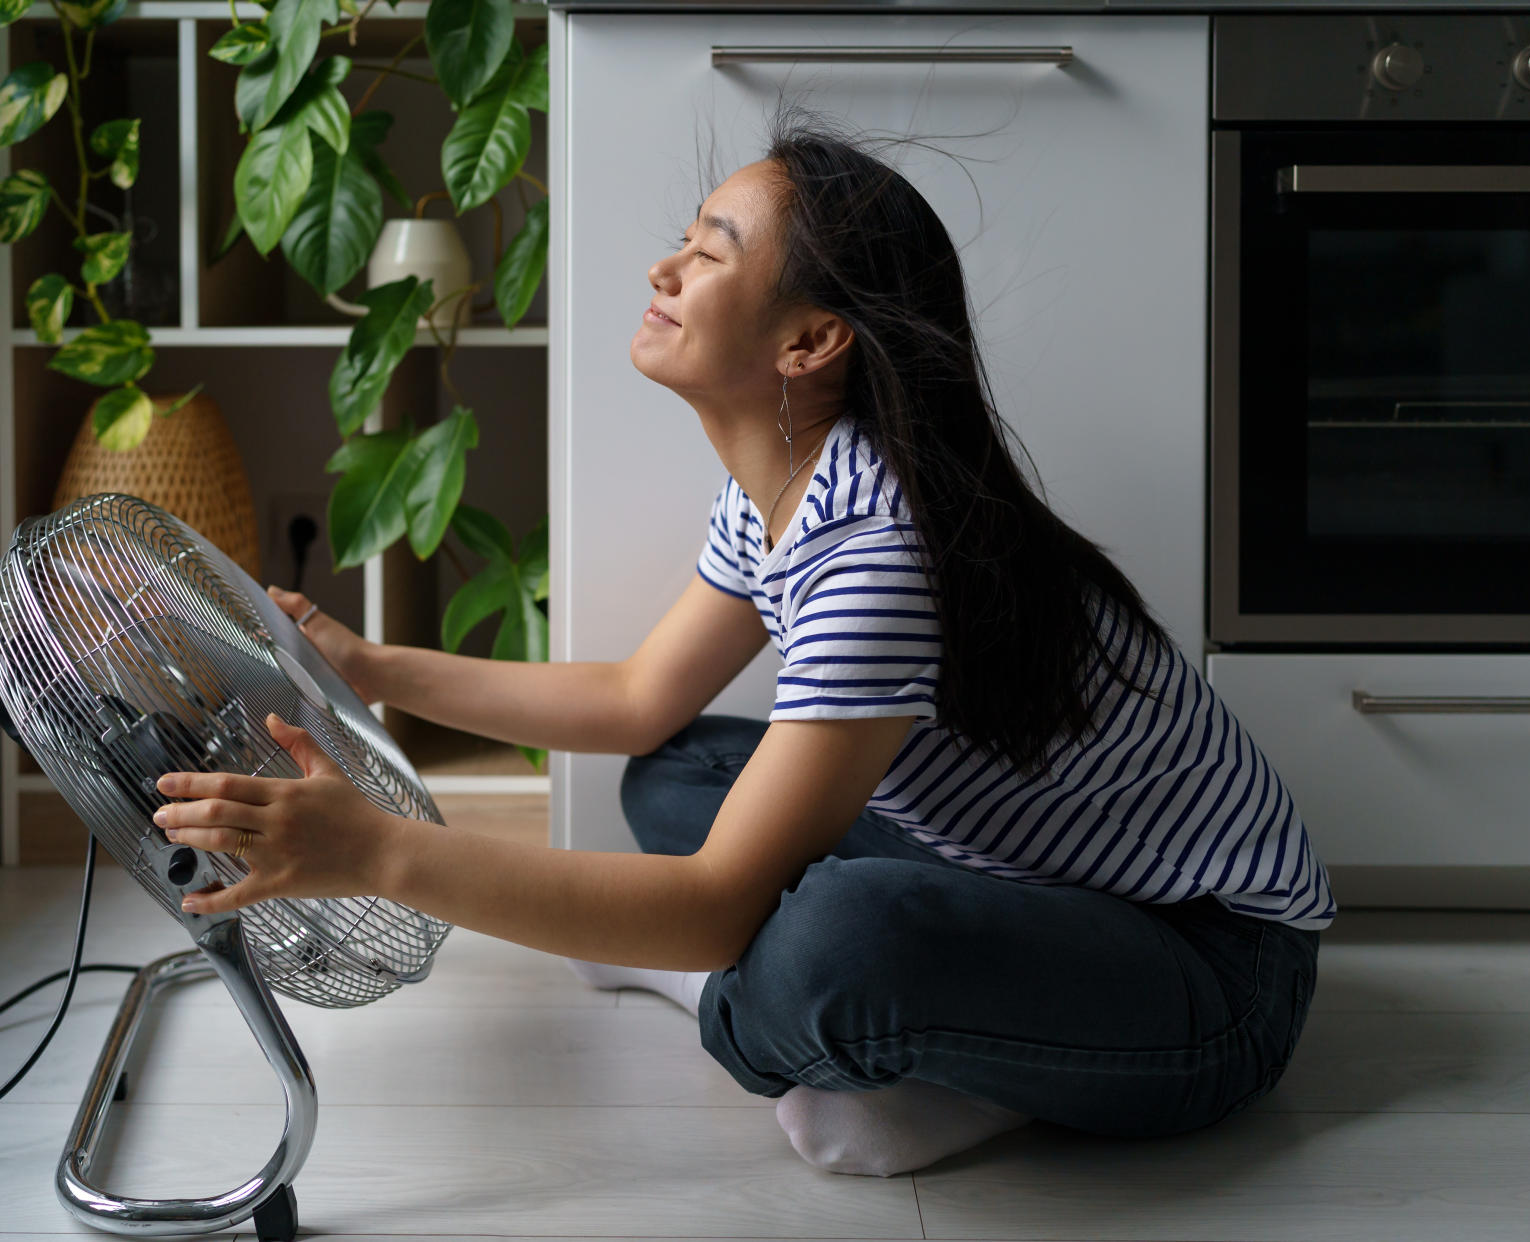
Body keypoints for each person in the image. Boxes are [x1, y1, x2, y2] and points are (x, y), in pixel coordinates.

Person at [153, 110, 1335, 1178]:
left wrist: (381, 853)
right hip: (1013, 882)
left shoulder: (879, 552)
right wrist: (372, 669)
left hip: (1212, 975)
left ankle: (872, 1050)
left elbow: (722, 904)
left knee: (822, 945)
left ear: (809, 343)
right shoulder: (787, 483)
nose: (663, 269)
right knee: (677, 774)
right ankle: (916, 1029)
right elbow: (634, 699)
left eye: (708, 252)